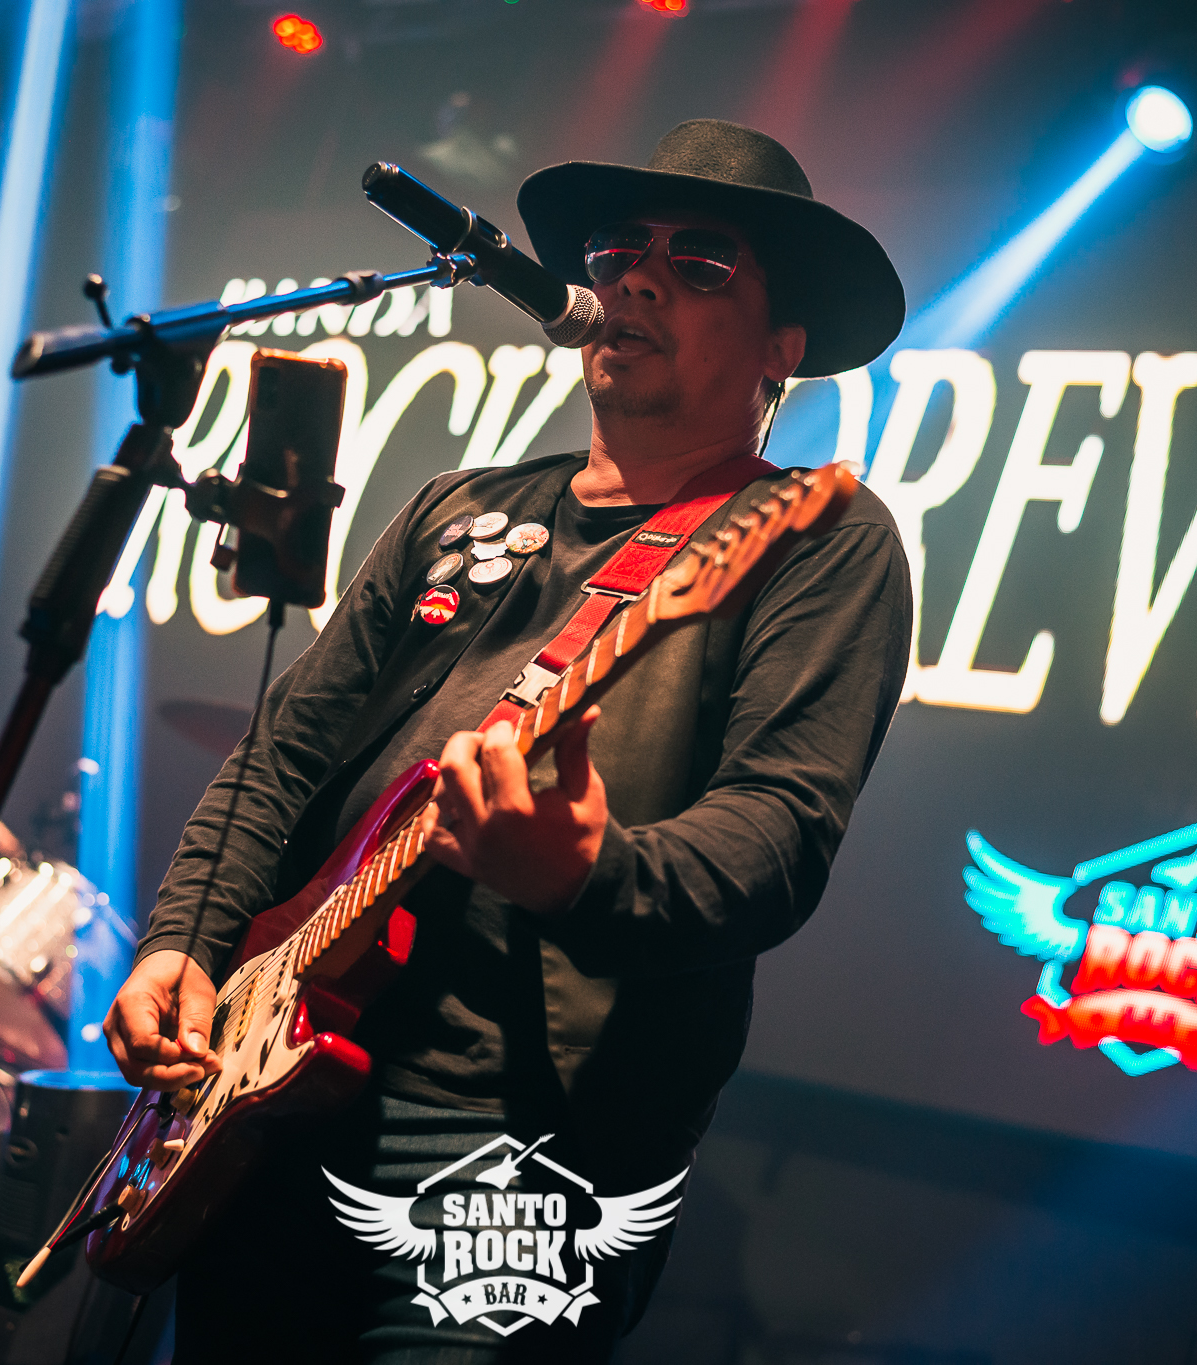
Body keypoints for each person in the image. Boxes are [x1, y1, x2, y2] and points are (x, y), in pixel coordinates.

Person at [104, 119, 913, 1362]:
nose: (638, 277)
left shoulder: (814, 539)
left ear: (780, 349)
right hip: (275, 1089)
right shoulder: (458, 508)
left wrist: (587, 873)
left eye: (700, 261)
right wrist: (185, 943)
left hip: (527, 1148)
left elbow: (776, 837)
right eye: (618, 249)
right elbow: (282, 756)